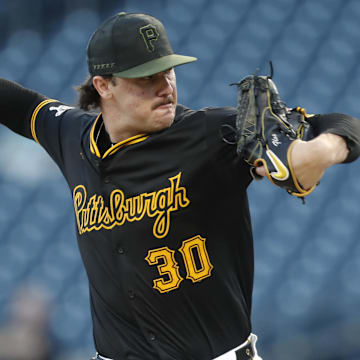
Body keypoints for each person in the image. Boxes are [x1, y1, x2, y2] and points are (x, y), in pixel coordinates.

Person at [1, 11, 360, 360]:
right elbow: (17, 104)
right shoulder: (72, 136)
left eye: (168, 71)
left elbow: (342, 124)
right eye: (145, 77)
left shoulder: (211, 134)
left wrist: (322, 150)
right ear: (104, 85)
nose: (164, 87)